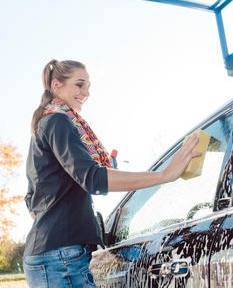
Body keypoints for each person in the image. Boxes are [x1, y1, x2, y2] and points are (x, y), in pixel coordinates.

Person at [23, 59, 200, 288]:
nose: (86, 92)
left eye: (88, 86)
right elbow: (92, 178)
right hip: (60, 259)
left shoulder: (45, 123)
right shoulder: (58, 121)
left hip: (50, 256)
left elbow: (32, 200)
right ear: (57, 85)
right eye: (79, 85)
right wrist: (164, 175)